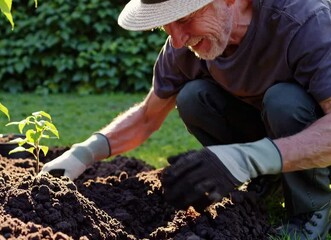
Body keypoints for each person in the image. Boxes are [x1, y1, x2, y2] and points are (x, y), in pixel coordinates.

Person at [39, 0, 331, 238]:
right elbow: (145, 117)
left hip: (310, 128)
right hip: (267, 128)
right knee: (193, 97)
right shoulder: (185, 48)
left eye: (184, 19)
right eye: (167, 27)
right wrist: (84, 152)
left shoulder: (304, 21)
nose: (177, 41)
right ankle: (266, 178)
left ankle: (310, 207)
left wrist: (248, 157)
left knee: (284, 101)